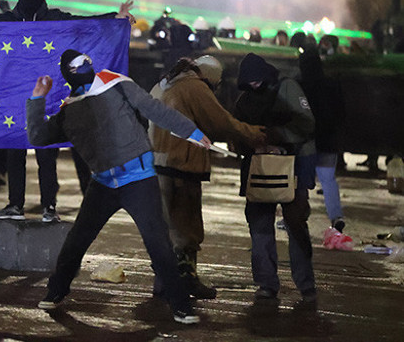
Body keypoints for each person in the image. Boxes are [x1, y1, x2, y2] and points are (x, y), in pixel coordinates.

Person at [26, 49, 211, 324]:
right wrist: (37, 98)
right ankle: (56, 291)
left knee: (158, 244)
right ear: (68, 73)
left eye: (87, 61)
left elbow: (155, 109)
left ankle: (181, 305)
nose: (86, 65)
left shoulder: (114, 83)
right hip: (103, 183)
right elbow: (38, 136)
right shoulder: (70, 109)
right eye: (78, 65)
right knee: (77, 240)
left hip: (138, 179)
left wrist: (191, 131)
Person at [0, 0, 134, 223]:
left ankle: (49, 206)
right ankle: (15, 205)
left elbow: (85, 24)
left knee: (46, 153)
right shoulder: (8, 20)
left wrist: (115, 19)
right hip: (14, 98)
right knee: (15, 153)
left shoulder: (55, 18)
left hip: (48, 96)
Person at [149, 56, 266, 299]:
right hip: (182, 164)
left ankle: (163, 282)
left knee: (167, 227)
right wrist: (253, 134)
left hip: (158, 164)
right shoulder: (195, 86)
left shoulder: (164, 85)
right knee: (187, 228)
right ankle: (186, 281)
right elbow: (220, 121)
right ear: (210, 77)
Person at [234, 53, 317, 304]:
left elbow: (307, 125)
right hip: (263, 168)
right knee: (262, 225)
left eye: (257, 79)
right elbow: (236, 134)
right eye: (249, 81)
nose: (254, 84)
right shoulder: (246, 99)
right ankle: (268, 283)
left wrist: (272, 137)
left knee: (294, 223)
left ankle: (303, 284)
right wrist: (254, 144)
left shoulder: (286, 88)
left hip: (290, 167)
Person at [298, 46, 346, 232]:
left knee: (300, 182)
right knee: (328, 180)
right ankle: (336, 216)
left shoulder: (300, 86)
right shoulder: (332, 85)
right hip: (328, 141)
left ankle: (297, 216)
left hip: (305, 142)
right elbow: (340, 112)